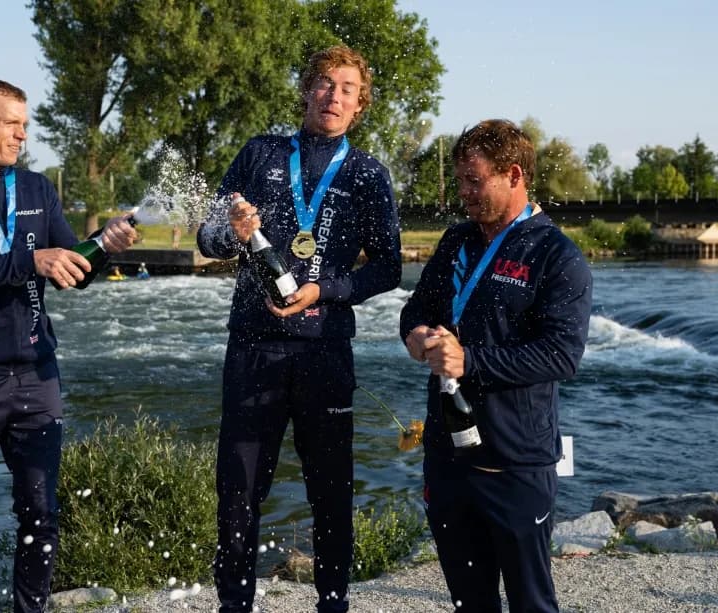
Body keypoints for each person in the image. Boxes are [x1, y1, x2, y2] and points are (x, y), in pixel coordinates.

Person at [0, 77, 137, 613]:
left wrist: (103, 248)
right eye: (10, 123)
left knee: (41, 510)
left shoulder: (36, 188)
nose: (21, 135)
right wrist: (29, 260)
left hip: (38, 372)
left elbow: (72, 274)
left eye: (25, 125)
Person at [197, 45, 401, 613]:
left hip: (325, 351)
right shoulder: (260, 153)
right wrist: (234, 233)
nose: (334, 95)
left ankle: (332, 604)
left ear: (359, 106)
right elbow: (207, 238)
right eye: (325, 84)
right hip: (253, 348)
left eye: (347, 89)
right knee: (238, 491)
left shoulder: (366, 174)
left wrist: (327, 289)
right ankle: (234, 604)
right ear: (306, 90)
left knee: (331, 493)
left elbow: (388, 267)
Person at [399, 119, 593, 612]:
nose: (462, 191)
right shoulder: (455, 242)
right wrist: (418, 338)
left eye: (473, 180)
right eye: (460, 180)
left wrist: (470, 360)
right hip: (447, 459)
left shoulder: (557, 256)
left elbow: (561, 355)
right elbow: (414, 311)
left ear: (513, 174)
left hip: (516, 463)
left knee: (531, 602)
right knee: (470, 602)